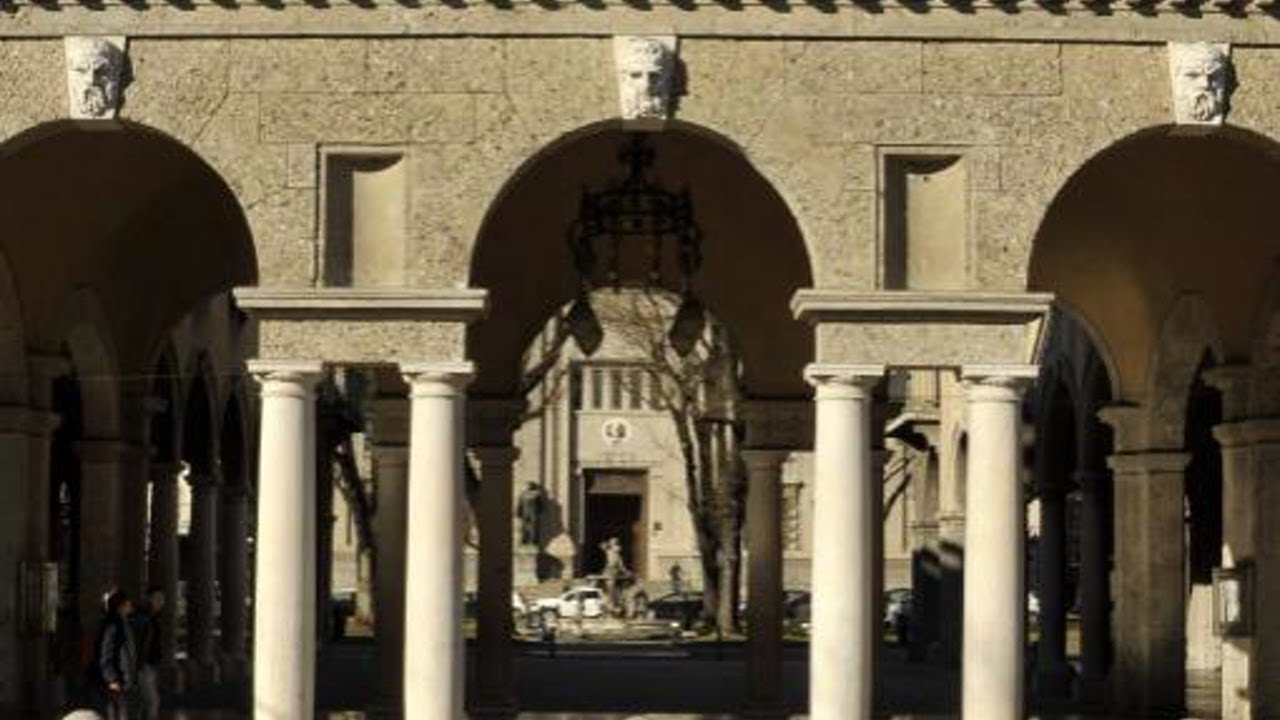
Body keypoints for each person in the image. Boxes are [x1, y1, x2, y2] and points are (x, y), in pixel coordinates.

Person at [92, 590, 138, 720]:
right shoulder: (113, 623)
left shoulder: (122, 622)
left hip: (122, 678)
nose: (130, 605)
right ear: (121, 605)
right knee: (116, 713)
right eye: (128, 603)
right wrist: (112, 678)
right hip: (116, 679)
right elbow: (106, 652)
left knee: (121, 712)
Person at [130, 587, 165, 720]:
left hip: (148, 664)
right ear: (149, 599)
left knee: (143, 701)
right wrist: (139, 664)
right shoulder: (144, 617)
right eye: (157, 598)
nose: (161, 602)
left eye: (162, 599)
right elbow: (140, 642)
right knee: (151, 701)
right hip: (143, 665)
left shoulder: (151, 617)